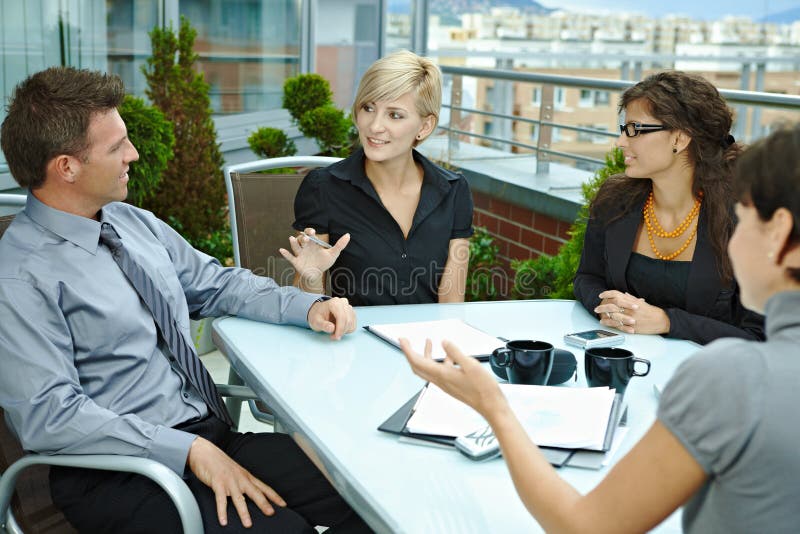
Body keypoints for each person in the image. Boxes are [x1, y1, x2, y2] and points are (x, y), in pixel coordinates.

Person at [0, 67, 370, 533]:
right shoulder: (18, 275)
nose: (132, 154)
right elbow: (49, 416)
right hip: (116, 473)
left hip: (209, 438)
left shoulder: (131, 223)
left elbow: (216, 283)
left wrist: (310, 307)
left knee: (371, 488)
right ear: (67, 167)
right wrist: (188, 452)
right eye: (117, 147)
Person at [402, 123, 800, 532]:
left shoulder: (735, 380)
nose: (729, 239)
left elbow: (587, 528)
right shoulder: (621, 203)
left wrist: (494, 407)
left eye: (743, 219)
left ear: (780, 231)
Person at [573, 71, 764, 345]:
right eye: (623, 129)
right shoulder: (615, 199)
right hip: (627, 362)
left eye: (635, 130)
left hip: (712, 377)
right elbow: (588, 277)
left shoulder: (746, 218)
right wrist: (612, 308)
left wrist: (667, 322)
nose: (621, 142)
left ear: (680, 139)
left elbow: (759, 336)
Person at [280, 50, 474, 306]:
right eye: (368, 108)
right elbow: (306, 306)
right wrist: (312, 278)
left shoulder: (453, 191)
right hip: (352, 340)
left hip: (425, 343)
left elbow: (451, 300)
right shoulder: (323, 188)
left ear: (425, 126)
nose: (374, 126)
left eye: (394, 115)